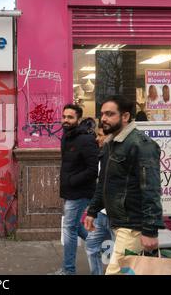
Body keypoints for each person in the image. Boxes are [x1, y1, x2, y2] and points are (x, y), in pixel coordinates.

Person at [84, 95, 164, 275]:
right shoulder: (111, 143)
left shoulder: (141, 145)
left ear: (125, 116)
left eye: (109, 114)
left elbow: (151, 189)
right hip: (117, 222)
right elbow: (103, 181)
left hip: (133, 227)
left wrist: (150, 230)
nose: (103, 118)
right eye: (102, 114)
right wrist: (92, 210)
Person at [52, 104, 99, 275]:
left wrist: (72, 181)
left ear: (78, 119)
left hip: (80, 192)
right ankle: (98, 244)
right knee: (74, 226)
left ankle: (69, 271)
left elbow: (93, 169)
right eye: (64, 116)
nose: (65, 120)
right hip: (70, 190)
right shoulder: (67, 136)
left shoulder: (85, 139)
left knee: (69, 228)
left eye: (70, 117)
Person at [85, 123, 114, 275]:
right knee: (91, 245)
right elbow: (100, 185)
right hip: (101, 213)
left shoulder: (117, 156)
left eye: (100, 135)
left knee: (117, 253)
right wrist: (92, 210)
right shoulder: (101, 154)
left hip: (117, 214)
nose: (97, 139)